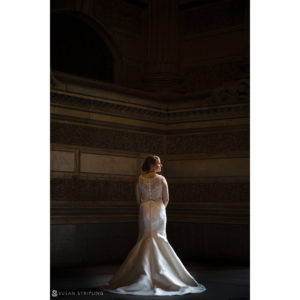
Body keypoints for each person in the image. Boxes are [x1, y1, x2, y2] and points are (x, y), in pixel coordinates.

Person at [100, 155, 206, 296]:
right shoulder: (162, 179)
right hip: (158, 209)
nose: (161, 166)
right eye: (159, 164)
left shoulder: (140, 179)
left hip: (144, 209)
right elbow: (166, 199)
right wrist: (160, 208)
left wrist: (145, 206)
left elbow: (138, 200)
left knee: (144, 238)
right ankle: (162, 273)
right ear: (152, 165)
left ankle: (140, 273)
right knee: (159, 238)